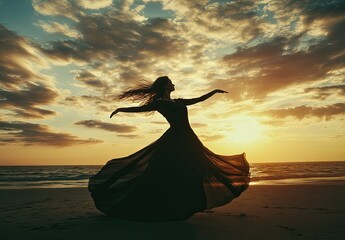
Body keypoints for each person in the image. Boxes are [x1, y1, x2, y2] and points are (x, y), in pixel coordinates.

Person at [88, 76, 250, 221]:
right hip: (174, 140)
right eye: (171, 82)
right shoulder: (159, 104)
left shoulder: (178, 102)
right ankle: (155, 204)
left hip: (188, 139)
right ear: (165, 86)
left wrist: (213, 91)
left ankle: (184, 204)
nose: (173, 84)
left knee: (196, 168)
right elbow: (140, 109)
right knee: (161, 172)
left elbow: (198, 99)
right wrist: (120, 109)